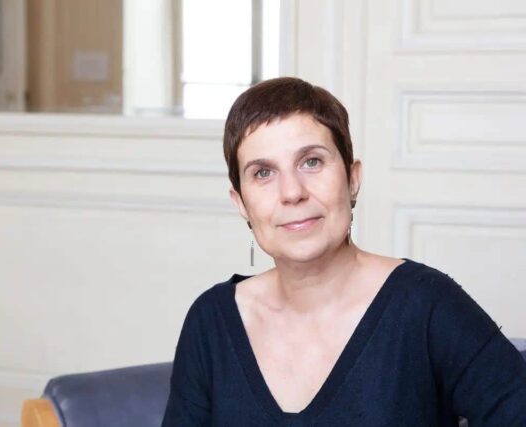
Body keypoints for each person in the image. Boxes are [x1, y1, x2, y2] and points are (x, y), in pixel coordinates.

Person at [161, 77, 526, 426]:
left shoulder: (426, 304)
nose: (292, 192)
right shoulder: (211, 322)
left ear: (352, 179)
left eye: (311, 162)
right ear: (241, 202)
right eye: (263, 173)